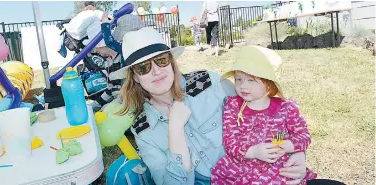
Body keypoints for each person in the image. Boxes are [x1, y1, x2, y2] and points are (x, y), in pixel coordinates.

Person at [112, 27, 309, 185]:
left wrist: (296, 152)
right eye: (143, 67)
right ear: (135, 77)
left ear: (171, 62)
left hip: (257, 174)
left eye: (161, 60)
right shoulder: (143, 129)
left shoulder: (208, 82)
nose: (156, 71)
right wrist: (175, 130)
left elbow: (265, 114)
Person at [210, 46, 317, 184]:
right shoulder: (233, 106)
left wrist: (286, 146)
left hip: (277, 166)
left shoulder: (285, 108)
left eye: (250, 80)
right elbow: (230, 142)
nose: (243, 86)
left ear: (268, 83)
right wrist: (254, 152)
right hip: (241, 166)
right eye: (238, 79)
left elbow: (303, 136)